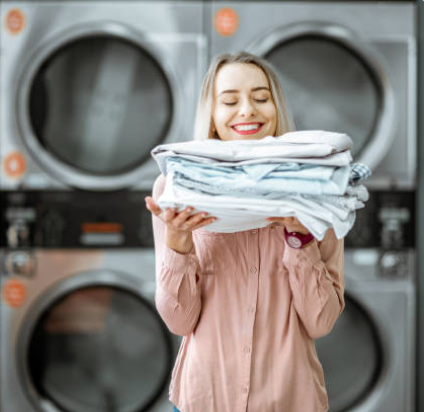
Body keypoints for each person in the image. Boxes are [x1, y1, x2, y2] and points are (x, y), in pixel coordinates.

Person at [145, 52, 344, 412]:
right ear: (212, 116)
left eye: (261, 98)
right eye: (230, 101)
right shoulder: (177, 189)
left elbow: (321, 320)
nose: (247, 110)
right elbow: (179, 319)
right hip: (204, 399)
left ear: (276, 107)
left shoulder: (318, 189)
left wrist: (301, 239)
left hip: (288, 400)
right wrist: (178, 242)